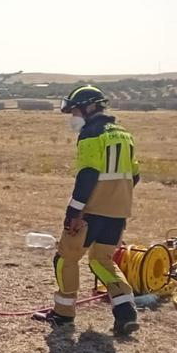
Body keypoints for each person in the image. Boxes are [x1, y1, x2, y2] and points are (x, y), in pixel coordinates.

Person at [33, 85, 140, 334]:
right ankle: (126, 313)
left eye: (75, 111)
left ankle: (63, 315)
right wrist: (117, 199)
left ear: (90, 107)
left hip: (90, 212)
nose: (74, 117)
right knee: (102, 261)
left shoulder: (91, 134)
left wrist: (74, 213)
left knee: (65, 258)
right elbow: (135, 175)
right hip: (118, 212)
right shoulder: (125, 134)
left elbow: (88, 175)